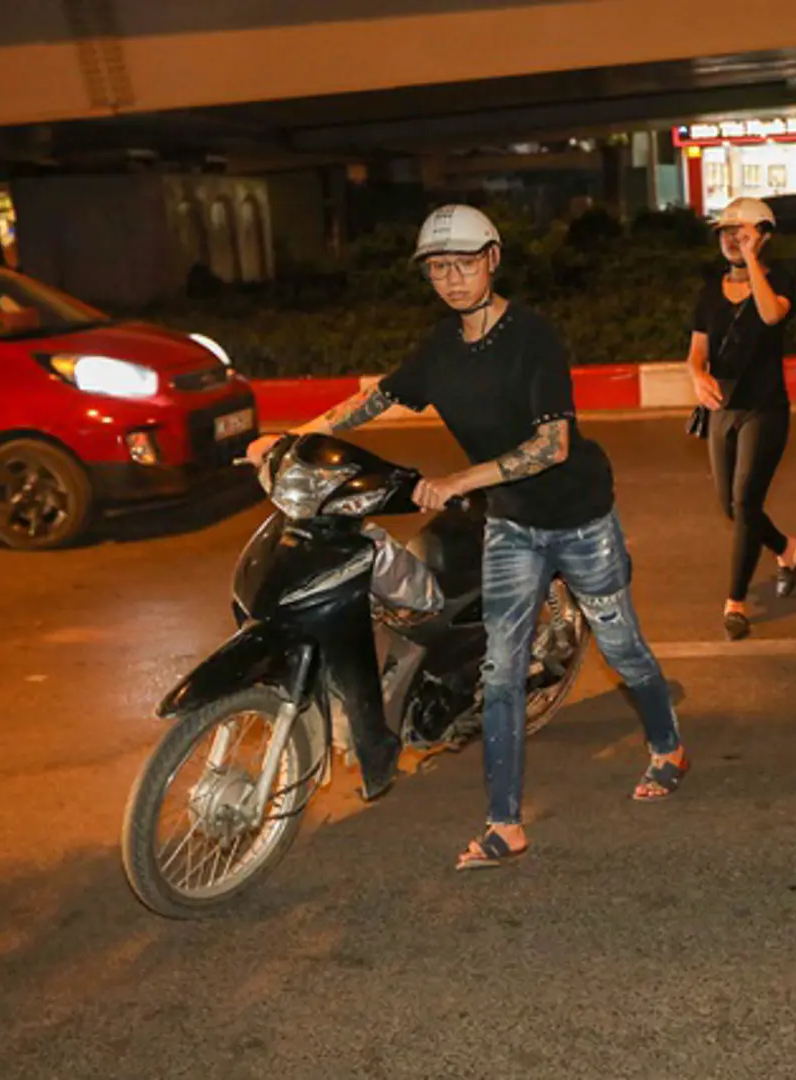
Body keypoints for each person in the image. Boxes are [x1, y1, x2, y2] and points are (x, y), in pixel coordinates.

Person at [247, 205, 688, 871]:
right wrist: (293, 440)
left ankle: (667, 743)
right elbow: (376, 398)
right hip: (511, 523)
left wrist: (459, 480)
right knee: (501, 670)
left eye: (462, 264)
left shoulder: (532, 337)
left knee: (623, 649)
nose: (451, 279)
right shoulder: (440, 348)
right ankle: (504, 825)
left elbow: (551, 444)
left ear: (493, 260)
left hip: (577, 519)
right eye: (437, 269)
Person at [685, 196, 796, 641]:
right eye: (726, 234)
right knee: (731, 506)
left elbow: (770, 313)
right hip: (723, 410)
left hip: (766, 409)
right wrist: (698, 378)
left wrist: (754, 260)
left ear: (763, 235)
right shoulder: (708, 292)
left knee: (743, 502)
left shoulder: (780, 281)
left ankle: (735, 602)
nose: (733, 241)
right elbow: (696, 354)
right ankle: (787, 547)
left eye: (742, 233)